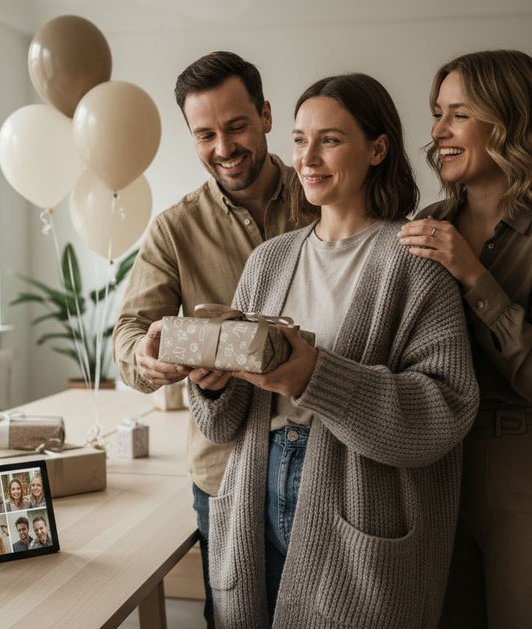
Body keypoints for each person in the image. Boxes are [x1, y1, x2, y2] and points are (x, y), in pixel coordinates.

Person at [188, 73, 478, 627]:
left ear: (377, 149)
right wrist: (212, 386)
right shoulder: (268, 261)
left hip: (358, 499)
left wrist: (313, 377)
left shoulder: (415, 264)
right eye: (300, 140)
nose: (308, 158)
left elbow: (445, 412)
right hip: (256, 490)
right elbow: (224, 426)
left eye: (331, 140)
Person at [399, 50, 532, 629]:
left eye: (459, 114)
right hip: (439, 467)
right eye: (438, 114)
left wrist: (473, 275)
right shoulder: (428, 221)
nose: (438, 132)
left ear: (510, 121)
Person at [112, 50, 310, 627]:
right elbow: (129, 334)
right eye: (205, 135)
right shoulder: (175, 228)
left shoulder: (323, 197)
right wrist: (147, 357)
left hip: (321, 464)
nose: (224, 147)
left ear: (266, 115)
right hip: (224, 470)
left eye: (237, 126)